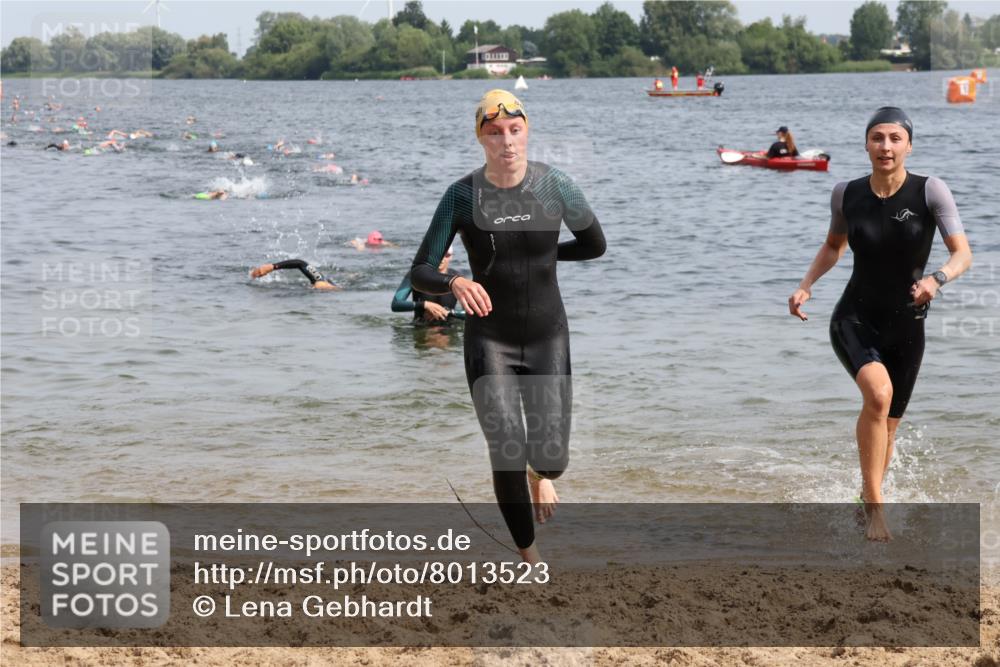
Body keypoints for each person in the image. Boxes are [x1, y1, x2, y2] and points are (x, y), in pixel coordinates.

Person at [409, 89, 606, 563]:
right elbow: (420, 269)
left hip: (546, 335)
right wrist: (454, 281)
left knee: (551, 460)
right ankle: (530, 558)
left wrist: (541, 256)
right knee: (506, 445)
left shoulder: (556, 186)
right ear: (481, 138)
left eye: (514, 131)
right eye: (494, 133)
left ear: (527, 131)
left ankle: (543, 479)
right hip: (489, 336)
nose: (506, 142)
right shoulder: (462, 195)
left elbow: (595, 245)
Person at [788, 107, 972, 541]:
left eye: (894, 138)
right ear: (866, 144)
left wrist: (937, 278)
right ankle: (876, 511)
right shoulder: (846, 193)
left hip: (908, 325)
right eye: (877, 138)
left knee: (888, 427)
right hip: (854, 317)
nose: (885, 147)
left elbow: (962, 253)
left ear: (908, 144)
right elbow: (833, 246)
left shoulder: (931, 192)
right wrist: (806, 285)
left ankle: (863, 497)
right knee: (878, 395)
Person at [392, 245, 466, 325]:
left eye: (446, 255)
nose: (441, 258)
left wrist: (449, 313)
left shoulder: (458, 279)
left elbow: (472, 313)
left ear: (451, 257)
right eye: (438, 254)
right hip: (422, 326)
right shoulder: (416, 275)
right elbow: (396, 304)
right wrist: (424, 305)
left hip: (448, 327)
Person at [249, 259, 338, 290]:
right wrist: (273, 266)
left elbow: (301, 264)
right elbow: (300, 264)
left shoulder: (323, 286)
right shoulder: (322, 284)